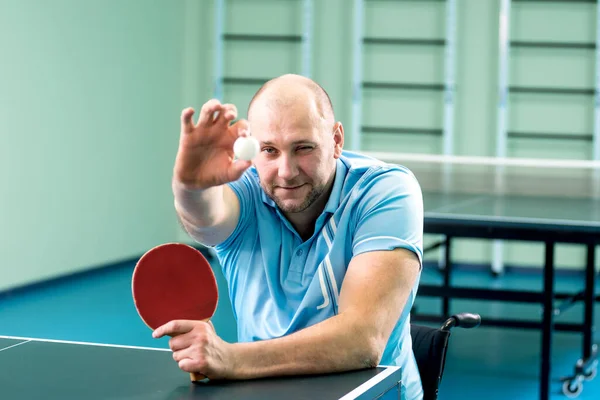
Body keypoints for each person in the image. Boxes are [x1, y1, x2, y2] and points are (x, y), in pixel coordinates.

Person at [153, 74, 424, 399]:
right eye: (269, 150)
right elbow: (206, 218)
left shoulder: (384, 192)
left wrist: (230, 359)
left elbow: (363, 339)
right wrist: (190, 187)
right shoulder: (247, 192)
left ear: (336, 140)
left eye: (303, 148)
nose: (286, 170)